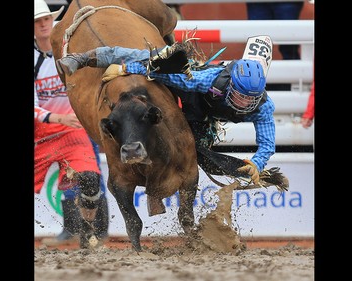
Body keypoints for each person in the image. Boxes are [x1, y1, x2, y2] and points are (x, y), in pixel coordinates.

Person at [54, 36, 289, 190]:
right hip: (192, 96)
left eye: (250, 99)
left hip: (204, 118)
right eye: (240, 95)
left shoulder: (263, 108)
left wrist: (257, 163)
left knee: (199, 155)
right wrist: (127, 68)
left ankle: (259, 175)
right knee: (155, 60)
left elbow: (267, 144)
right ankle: (86, 57)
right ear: (230, 87)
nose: (244, 102)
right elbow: (168, 76)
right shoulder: (210, 80)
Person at [34, 0, 109, 247]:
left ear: (52, 20)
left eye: (46, 19)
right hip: (47, 126)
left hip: (76, 123)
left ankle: (95, 229)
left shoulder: (70, 51)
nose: (44, 24)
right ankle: (76, 229)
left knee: (89, 173)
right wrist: (57, 118)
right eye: (38, 21)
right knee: (78, 175)